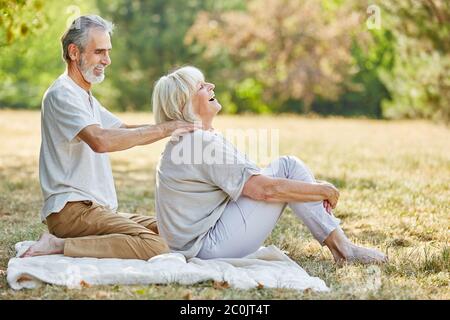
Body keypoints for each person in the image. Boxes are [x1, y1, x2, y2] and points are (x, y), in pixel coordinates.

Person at [152, 66, 388, 264]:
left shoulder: (189, 140)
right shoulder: (198, 142)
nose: (211, 85)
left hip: (196, 246)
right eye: (201, 86)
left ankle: (342, 247)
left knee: (285, 170)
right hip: (206, 250)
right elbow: (265, 190)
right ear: (185, 103)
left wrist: (311, 187)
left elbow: (252, 180)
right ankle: (345, 250)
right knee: (287, 166)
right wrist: (323, 190)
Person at [20, 15, 198, 260]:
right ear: (74, 52)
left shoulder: (84, 96)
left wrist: (176, 126)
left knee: (170, 231)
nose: (107, 60)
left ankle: (75, 242)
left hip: (95, 210)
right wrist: (166, 130)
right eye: (99, 52)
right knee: (156, 246)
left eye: (108, 51)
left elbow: (123, 129)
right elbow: (100, 140)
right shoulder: (62, 94)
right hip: (71, 213)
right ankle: (59, 244)